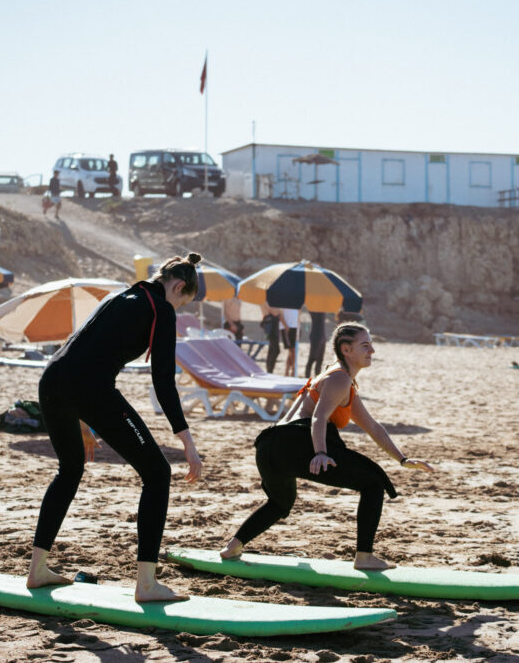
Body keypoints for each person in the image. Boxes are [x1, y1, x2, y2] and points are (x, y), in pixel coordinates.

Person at [26, 254, 205, 602]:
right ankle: (147, 584)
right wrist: (187, 441)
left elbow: (79, 349)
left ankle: (37, 570)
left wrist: (79, 417)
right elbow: (164, 383)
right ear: (179, 286)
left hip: (52, 380)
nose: (178, 310)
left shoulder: (120, 295)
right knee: (157, 474)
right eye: (183, 303)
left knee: (70, 470)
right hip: (89, 389)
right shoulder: (160, 309)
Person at [220, 322, 434, 569]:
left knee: (280, 503)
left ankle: (233, 546)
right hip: (296, 441)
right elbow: (318, 418)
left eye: (371, 344)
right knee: (373, 482)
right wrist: (320, 452)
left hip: (269, 446)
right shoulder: (339, 379)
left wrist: (402, 459)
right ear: (346, 350)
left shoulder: (338, 380)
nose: (372, 351)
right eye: (365, 345)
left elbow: (374, 428)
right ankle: (364, 556)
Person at [261, 304, 282, 373]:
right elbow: (275, 312)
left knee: (272, 349)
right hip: (270, 326)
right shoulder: (266, 299)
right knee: (276, 350)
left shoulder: (269, 298)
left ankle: (269, 370)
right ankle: (270, 370)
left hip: (273, 326)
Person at [305, 311, 326, 377]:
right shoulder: (314, 307)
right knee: (312, 358)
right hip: (316, 336)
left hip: (322, 336)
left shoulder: (323, 308)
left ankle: (317, 377)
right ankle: (307, 378)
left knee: (319, 360)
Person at [282, 308, 300, 376]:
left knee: (292, 351)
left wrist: (298, 326)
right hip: (287, 326)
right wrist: (286, 326)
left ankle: (289, 370)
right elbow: (280, 312)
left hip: (295, 326)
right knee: (292, 350)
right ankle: (291, 370)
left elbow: (299, 312)